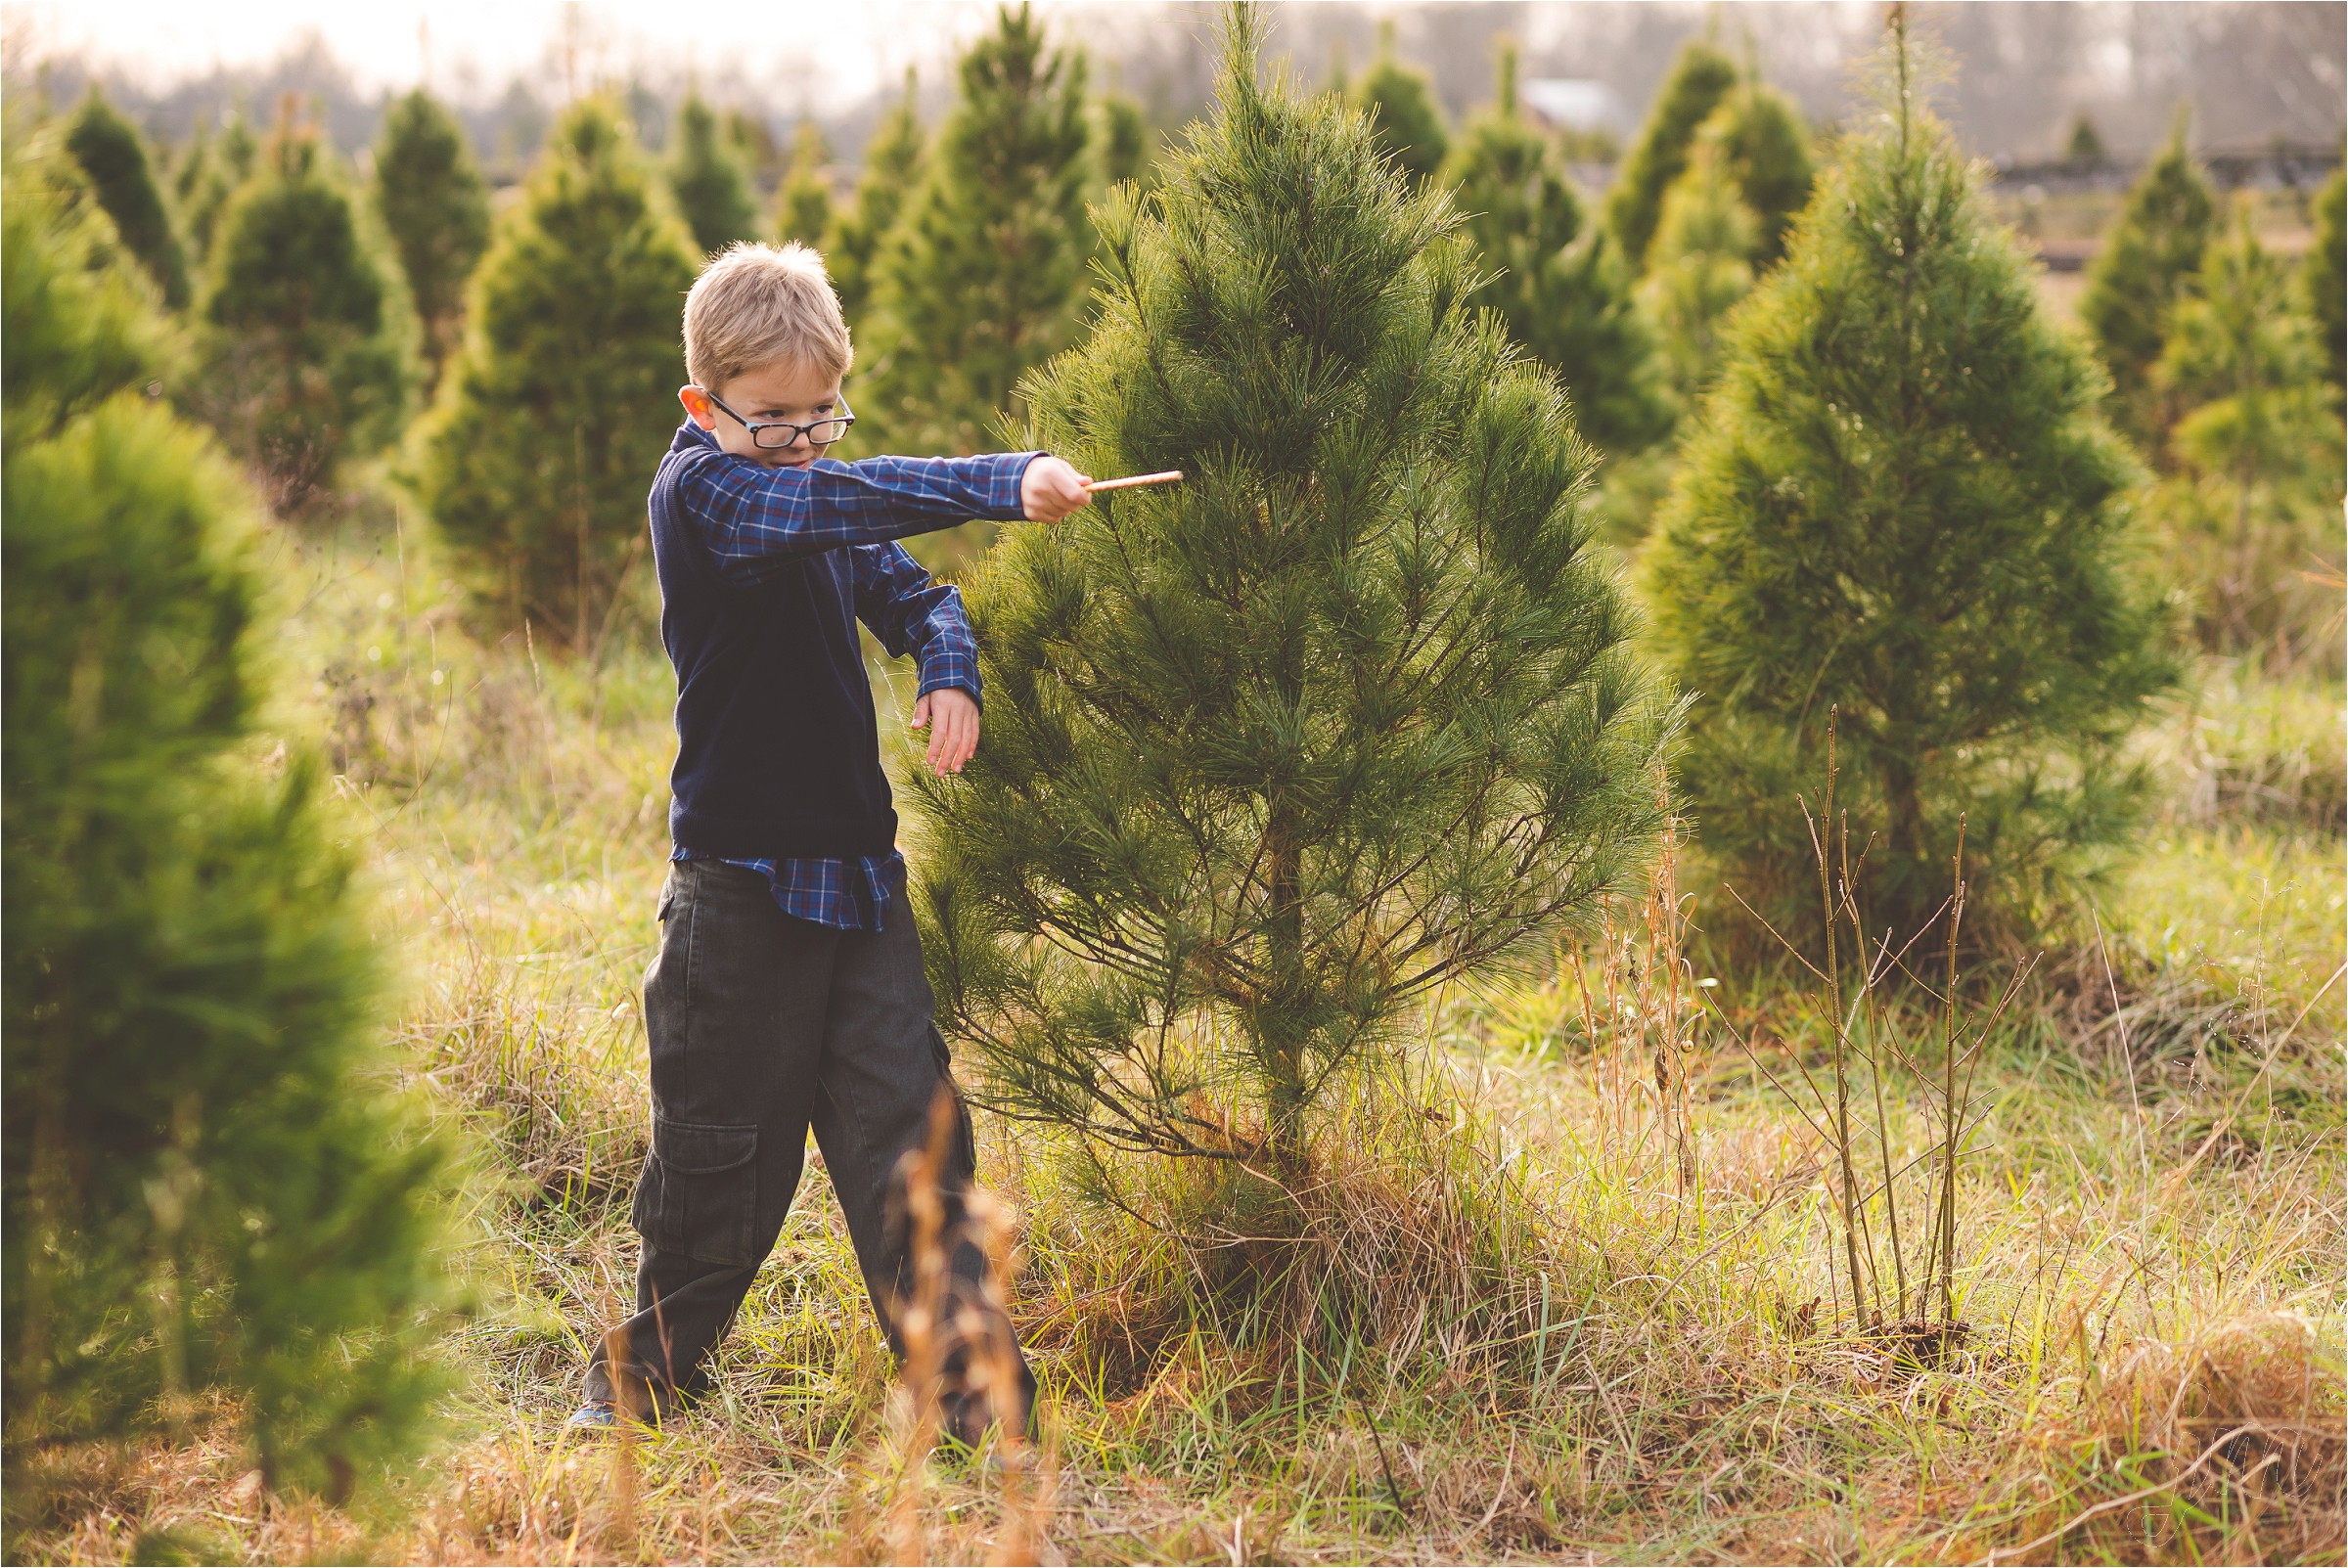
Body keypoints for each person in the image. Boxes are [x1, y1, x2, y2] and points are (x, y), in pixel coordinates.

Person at [571, 241, 1092, 1444]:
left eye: (822, 416)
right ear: (706, 405)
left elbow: (918, 594)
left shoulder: (798, 484)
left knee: (914, 1146)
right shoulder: (708, 492)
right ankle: (637, 1387)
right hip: (740, 891)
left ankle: (975, 1401)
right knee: (721, 1160)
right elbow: (828, 504)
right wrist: (1002, 480)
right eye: (775, 419)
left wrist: (947, 669)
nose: (805, 442)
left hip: (859, 884)